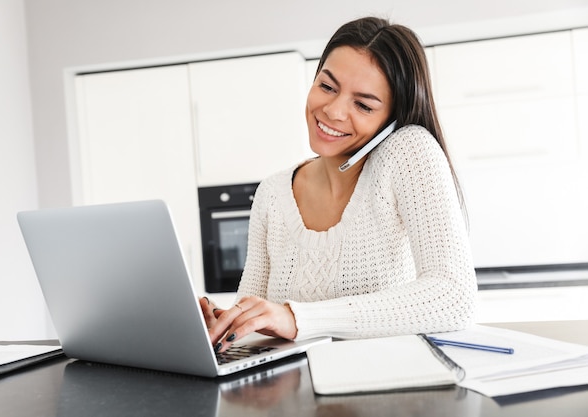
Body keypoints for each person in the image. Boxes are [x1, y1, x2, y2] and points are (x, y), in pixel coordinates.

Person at [200, 16, 477, 353]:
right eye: (327, 87)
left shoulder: (408, 152)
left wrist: (297, 318)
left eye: (362, 104)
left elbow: (454, 297)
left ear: (392, 119)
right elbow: (257, 316)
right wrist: (226, 326)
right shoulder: (271, 193)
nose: (332, 111)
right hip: (295, 399)